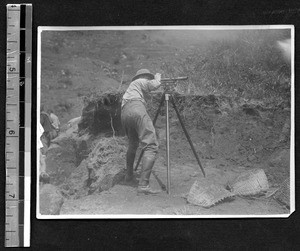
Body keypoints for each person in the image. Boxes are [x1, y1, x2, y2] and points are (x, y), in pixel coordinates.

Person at [121, 69, 162, 195]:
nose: (148, 79)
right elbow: (152, 85)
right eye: (147, 78)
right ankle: (143, 185)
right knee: (151, 145)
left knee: (133, 144)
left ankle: (128, 176)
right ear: (143, 77)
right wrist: (158, 78)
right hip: (136, 109)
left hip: (125, 113)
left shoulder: (133, 89)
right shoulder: (141, 81)